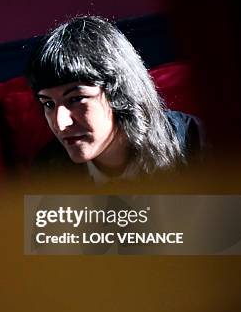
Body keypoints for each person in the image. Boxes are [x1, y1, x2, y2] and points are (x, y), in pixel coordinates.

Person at [25, 15, 205, 185]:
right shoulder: (47, 170)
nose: (60, 123)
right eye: (49, 104)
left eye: (76, 99)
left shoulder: (196, 141)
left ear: (119, 93)